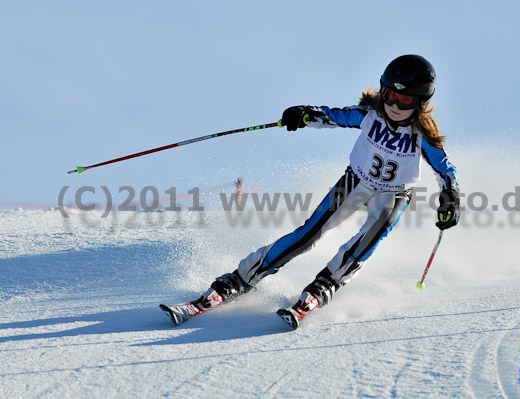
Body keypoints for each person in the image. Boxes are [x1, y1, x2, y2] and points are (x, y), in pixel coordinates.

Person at [163, 55, 460, 328]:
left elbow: (446, 172)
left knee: (365, 241)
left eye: (404, 99)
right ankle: (239, 279)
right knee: (310, 234)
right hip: (355, 181)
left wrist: (451, 199)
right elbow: (332, 116)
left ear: (420, 103)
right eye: (391, 95)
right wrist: (304, 114)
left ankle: (324, 286)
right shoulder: (370, 114)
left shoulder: (424, 136)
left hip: (393, 195)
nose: (394, 105)